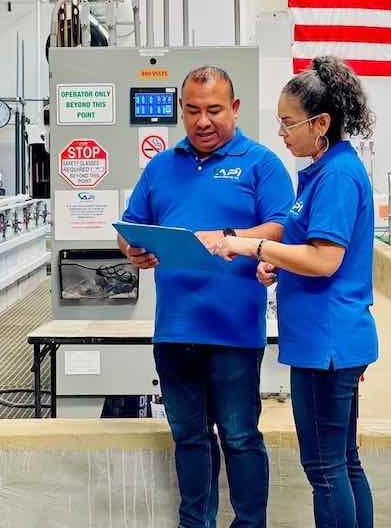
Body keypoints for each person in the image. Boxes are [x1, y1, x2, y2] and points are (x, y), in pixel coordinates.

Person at [118, 66, 295, 528]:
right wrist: (133, 249)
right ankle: (196, 523)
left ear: (234, 109)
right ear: (182, 111)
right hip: (175, 330)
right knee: (190, 437)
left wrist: (229, 236)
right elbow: (132, 226)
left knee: (239, 435)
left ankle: (250, 523)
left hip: (234, 332)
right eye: (193, 111)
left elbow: (281, 227)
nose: (202, 121)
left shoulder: (261, 164)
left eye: (214, 110)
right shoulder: (161, 166)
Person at [210, 56, 379, 528]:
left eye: (289, 123)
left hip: (327, 343)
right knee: (342, 461)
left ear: (321, 123)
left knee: (326, 468)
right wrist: (280, 266)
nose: (281, 134)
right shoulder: (325, 171)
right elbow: (311, 251)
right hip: (326, 339)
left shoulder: (338, 176)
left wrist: (254, 245)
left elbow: (326, 260)